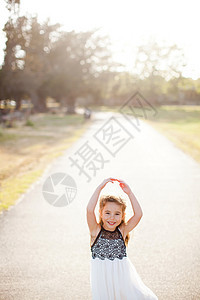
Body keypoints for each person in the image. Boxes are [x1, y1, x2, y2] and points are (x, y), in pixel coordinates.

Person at [86, 178, 158, 300]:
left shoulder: (122, 231)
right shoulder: (95, 231)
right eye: (107, 213)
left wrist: (129, 193)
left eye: (117, 214)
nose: (112, 218)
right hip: (102, 281)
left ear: (123, 215)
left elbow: (138, 214)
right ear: (101, 213)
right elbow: (89, 210)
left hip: (122, 280)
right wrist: (99, 188)